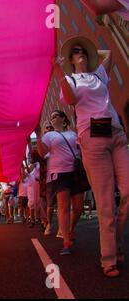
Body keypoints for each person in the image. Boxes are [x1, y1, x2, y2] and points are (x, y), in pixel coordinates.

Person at [54, 36, 129, 276]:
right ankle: (109, 259)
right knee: (106, 200)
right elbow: (72, 100)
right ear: (71, 61)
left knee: (128, 191)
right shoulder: (70, 79)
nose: (81, 53)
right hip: (92, 135)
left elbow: (111, 55)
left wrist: (92, 51)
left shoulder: (99, 75)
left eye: (83, 51)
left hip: (116, 133)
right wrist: (59, 69)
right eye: (76, 52)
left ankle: (114, 244)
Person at [36, 110, 85, 256]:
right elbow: (42, 153)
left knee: (78, 208)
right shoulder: (49, 135)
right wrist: (38, 136)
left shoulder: (73, 134)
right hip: (59, 173)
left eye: (55, 116)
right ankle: (66, 242)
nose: (52, 119)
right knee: (64, 207)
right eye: (51, 117)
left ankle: (69, 230)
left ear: (63, 119)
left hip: (76, 173)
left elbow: (81, 149)